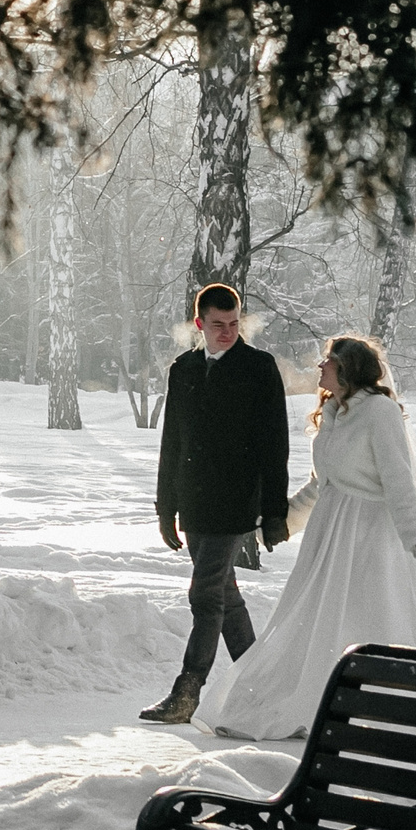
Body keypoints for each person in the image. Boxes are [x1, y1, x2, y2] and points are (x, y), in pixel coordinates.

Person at [199, 333, 416, 741]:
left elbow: (398, 479)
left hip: (371, 532)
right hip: (331, 533)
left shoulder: (380, 412)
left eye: (327, 361)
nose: (320, 367)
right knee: (318, 615)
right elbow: (324, 483)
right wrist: (282, 522)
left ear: (347, 368)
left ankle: (383, 704)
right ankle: (317, 698)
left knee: (372, 612)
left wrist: (415, 534)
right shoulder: (334, 412)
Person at [139, 283, 290, 725]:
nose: (227, 332)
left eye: (234, 323)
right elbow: (172, 442)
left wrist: (275, 510)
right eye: (218, 325)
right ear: (200, 323)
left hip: (236, 501)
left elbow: (274, 443)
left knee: (205, 593)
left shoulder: (259, 368)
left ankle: (187, 692)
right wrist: (165, 507)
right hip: (193, 500)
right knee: (225, 594)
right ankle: (259, 689)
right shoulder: (182, 369)